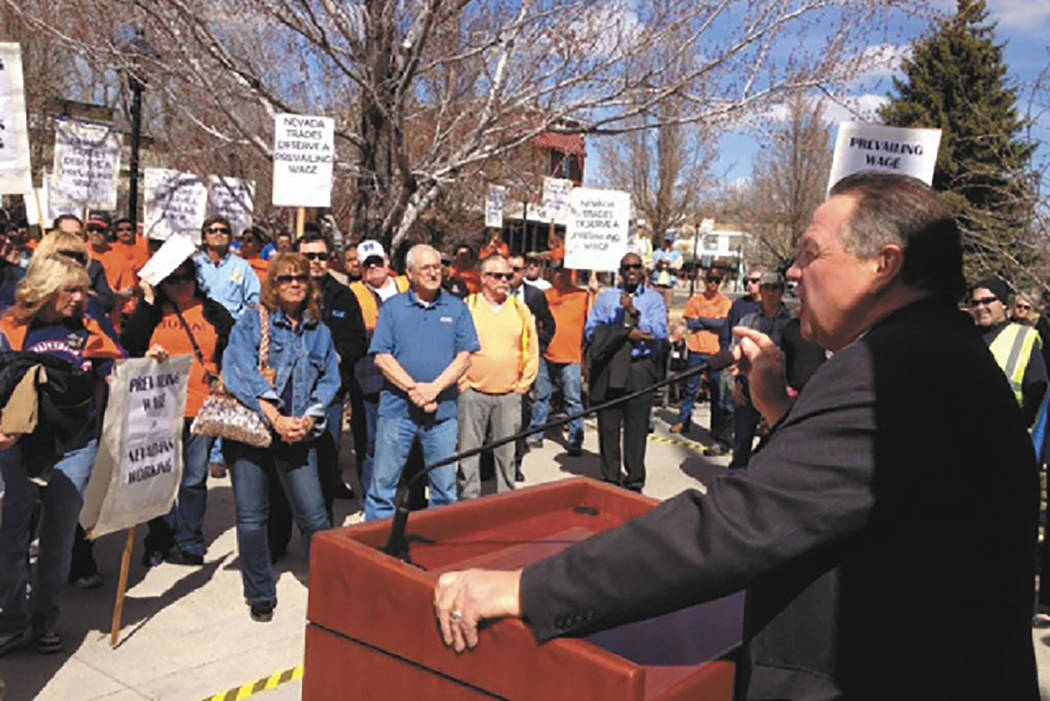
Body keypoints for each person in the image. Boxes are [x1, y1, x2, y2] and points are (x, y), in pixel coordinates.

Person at [432, 172, 1040, 700]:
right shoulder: (939, 349)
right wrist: (778, 409)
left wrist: (529, 587)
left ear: (883, 265)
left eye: (811, 253)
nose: (793, 272)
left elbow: (733, 524)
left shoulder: (893, 367)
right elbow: (857, 492)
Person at [0, 255, 125, 656]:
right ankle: (12, 618)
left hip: (75, 449)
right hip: (18, 447)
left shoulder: (89, 327)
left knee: (57, 539)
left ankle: (44, 618)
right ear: (45, 289)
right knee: (11, 536)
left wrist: (149, 363)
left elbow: (118, 373)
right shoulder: (10, 327)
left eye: (83, 290)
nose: (79, 298)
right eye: (69, 290)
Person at [221, 253, 339, 621]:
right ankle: (259, 593)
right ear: (272, 284)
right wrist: (274, 416)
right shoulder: (252, 322)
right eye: (285, 278)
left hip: (297, 435)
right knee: (253, 518)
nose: (293, 284)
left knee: (315, 517)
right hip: (253, 433)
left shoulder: (319, 330)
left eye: (300, 278)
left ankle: (332, 587)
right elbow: (237, 370)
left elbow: (331, 378)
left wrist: (308, 418)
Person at [121, 254, 234, 567]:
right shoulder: (152, 312)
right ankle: (159, 538)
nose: (181, 285)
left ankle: (190, 541)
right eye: (173, 279)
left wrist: (225, 375)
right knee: (160, 477)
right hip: (160, 407)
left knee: (194, 477)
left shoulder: (213, 312)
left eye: (187, 277)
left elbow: (234, 347)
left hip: (201, 406)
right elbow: (129, 344)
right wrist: (146, 305)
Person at [363, 244, 480, 521]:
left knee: (444, 489)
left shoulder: (457, 308)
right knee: (383, 488)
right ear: (410, 273)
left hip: (442, 414)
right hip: (396, 413)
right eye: (425, 268)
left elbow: (465, 357)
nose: (433, 273)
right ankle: (376, 548)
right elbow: (382, 357)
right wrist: (414, 389)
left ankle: (438, 551)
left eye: (437, 267)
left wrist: (434, 389)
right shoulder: (393, 309)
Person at [584, 252, 667, 491]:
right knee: (608, 426)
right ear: (620, 271)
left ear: (643, 271)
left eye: (636, 267)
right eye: (626, 267)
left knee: (637, 427)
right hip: (611, 367)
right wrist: (623, 333)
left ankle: (634, 481)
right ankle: (610, 477)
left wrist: (635, 315)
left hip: (639, 368)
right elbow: (592, 331)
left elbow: (659, 333)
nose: (631, 271)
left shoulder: (653, 300)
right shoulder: (606, 298)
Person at [458, 256, 539, 499]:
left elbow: (532, 350)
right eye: (498, 276)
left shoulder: (519, 309)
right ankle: (467, 503)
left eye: (508, 275)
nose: (505, 280)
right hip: (472, 393)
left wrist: (522, 386)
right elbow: (454, 347)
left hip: (509, 395)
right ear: (483, 278)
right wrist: (463, 383)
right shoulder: (467, 306)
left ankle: (505, 501)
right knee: (467, 454)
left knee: (507, 455)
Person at [194, 215, 262, 479]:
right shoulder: (194, 266)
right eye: (213, 230)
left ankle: (219, 454)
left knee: (226, 390)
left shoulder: (242, 268)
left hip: (231, 338)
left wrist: (242, 328)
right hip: (198, 337)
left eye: (224, 230)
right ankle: (199, 442)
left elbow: (254, 301)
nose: (218, 234)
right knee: (202, 390)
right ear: (204, 236)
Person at [346, 241, 411, 491]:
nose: (374, 268)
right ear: (360, 268)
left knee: (405, 438)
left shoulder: (407, 286)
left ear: (388, 262)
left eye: (378, 262)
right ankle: (373, 495)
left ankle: (405, 496)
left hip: (408, 375)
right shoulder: (352, 293)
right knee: (371, 440)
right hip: (369, 377)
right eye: (367, 264)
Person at [728, 272, 792, 469]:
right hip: (747, 388)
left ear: (782, 291)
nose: (770, 293)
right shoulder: (747, 321)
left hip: (780, 391)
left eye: (775, 288)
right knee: (741, 444)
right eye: (765, 288)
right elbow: (733, 355)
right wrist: (733, 386)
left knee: (775, 444)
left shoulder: (792, 323)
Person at [970, 277, 1047, 427]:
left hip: (1005, 430)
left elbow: (1038, 392)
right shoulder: (964, 336)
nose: (980, 307)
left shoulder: (1024, 337)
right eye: (975, 303)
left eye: (987, 301)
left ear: (1004, 304)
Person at [529, 265, 590, 456]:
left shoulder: (584, 296)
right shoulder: (543, 295)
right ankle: (536, 433)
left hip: (572, 356)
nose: (560, 274)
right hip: (545, 354)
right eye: (556, 270)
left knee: (573, 399)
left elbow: (592, 325)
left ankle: (575, 438)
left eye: (565, 270)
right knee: (541, 396)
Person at [672, 268, 731, 456]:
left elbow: (723, 325)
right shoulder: (696, 299)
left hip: (715, 352)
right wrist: (710, 322)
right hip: (696, 350)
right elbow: (691, 323)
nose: (712, 284)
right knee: (690, 389)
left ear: (720, 282)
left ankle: (716, 429)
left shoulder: (725, 302)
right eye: (710, 280)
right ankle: (684, 421)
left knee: (717, 393)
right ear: (704, 281)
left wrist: (703, 321)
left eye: (716, 280)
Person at [507, 255, 555, 474]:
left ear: (524, 271)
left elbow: (550, 324)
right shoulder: (491, 295)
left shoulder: (534, 296)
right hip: (498, 366)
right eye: (507, 271)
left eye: (516, 270)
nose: (510, 276)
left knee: (520, 416)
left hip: (524, 366)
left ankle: (516, 462)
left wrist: (539, 347)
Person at [52, 215, 116, 315]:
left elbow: (108, 301)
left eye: (77, 235)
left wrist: (85, 294)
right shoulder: (44, 264)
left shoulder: (93, 266)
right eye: (67, 235)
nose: (73, 239)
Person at [86, 220, 136, 328]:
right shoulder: (79, 254)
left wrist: (112, 293)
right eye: (91, 230)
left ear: (108, 232)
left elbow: (129, 292)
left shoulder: (120, 259)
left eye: (100, 230)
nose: (95, 233)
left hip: (109, 323)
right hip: (83, 321)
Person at [650, 233, 682, 311]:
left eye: (669, 242)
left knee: (666, 308)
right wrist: (658, 264)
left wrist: (669, 264)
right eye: (666, 241)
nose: (667, 244)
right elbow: (650, 267)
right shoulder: (656, 253)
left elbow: (677, 268)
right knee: (654, 307)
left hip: (668, 286)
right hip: (656, 285)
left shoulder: (677, 255)